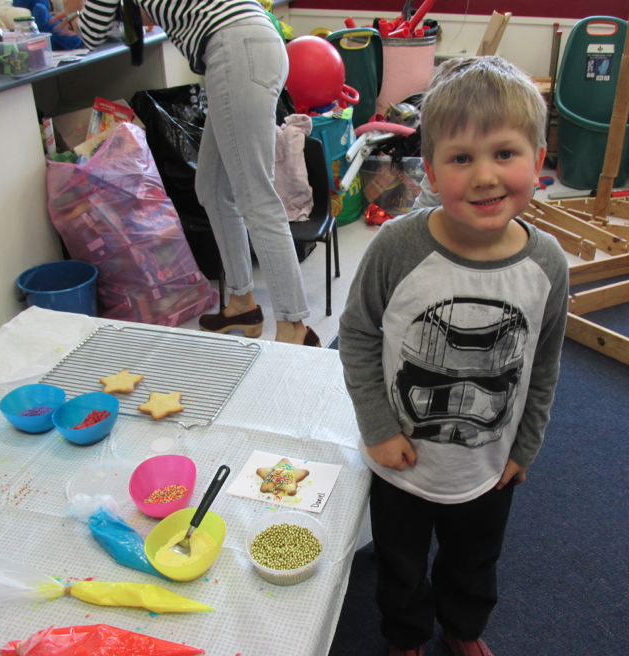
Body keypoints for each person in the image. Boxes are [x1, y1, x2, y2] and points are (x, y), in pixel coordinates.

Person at [338, 56, 569, 656]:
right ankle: (406, 636)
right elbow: (358, 334)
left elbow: (544, 362)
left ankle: (462, 629)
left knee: (474, 561)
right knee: (400, 563)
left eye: (505, 153)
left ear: (538, 161)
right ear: (432, 171)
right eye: (462, 158)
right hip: (402, 461)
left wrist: (525, 445)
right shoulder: (398, 246)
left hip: (488, 466)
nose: (485, 176)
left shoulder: (547, 264)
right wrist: (378, 427)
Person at [66, 0, 319, 347]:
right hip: (249, 41)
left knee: (255, 197)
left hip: (235, 48)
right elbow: (146, 14)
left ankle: (294, 329)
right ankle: (241, 304)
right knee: (212, 187)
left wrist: (71, 19)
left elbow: (92, 32)